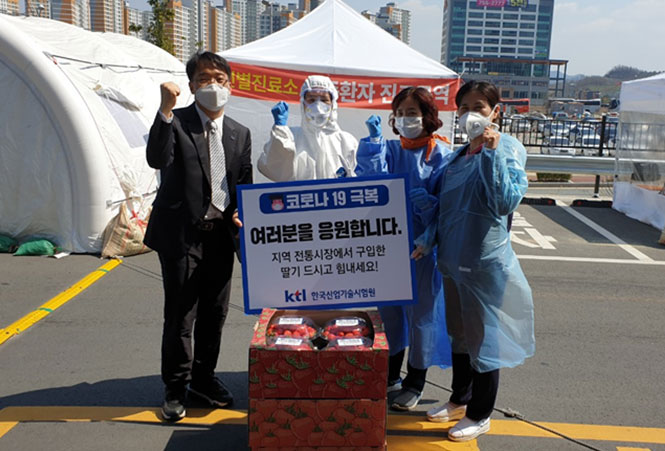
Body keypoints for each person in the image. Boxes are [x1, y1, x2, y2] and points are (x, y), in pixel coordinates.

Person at [419, 80, 535, 442]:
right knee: (459, 334)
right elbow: (446, 207)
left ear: (495, 112)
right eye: (465, 107)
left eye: (479, 106)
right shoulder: (457, 156)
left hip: (484, 262)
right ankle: (461, 398)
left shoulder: (507, 148)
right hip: (453, 259)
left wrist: (491, 153)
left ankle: (481, 412)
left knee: (483, 339)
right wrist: (428, 239)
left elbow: (504, 201)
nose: (471, 114)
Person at [144, 51, 252, 422]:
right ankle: (176, 387)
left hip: (220, 236)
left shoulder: (239, 132)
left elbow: (244, 184)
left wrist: (242, 212)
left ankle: (204, 378)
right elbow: (158, 159)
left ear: (230, 86)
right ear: (192, 85)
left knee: (215, 313)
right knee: (181, 314)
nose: (213, 85)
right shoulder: (176, 122)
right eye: (205, 79)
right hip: (181, 235)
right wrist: (165, 109)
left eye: (220, 79)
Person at [355, 87, 453, 411]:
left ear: (428, 116)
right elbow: (371, 184)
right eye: (400, 113)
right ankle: (389, 375)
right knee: (390, 316)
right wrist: (372, 144)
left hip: (421, 250)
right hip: (387, 248)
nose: (405, 119)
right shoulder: (389, 149)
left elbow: (448, 208)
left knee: (422, 317)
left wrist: (430, 221)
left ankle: (415, 382)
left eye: (413, 112)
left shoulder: (441, 155)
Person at [258, 75, 357, 181]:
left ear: (333, 104)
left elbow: (358, 177)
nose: (318, 106)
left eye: (324, 100)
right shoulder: (290, 137)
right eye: (311, 100)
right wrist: (280, 131)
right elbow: (278, 172)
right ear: (303, 103)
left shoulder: (346, 141)